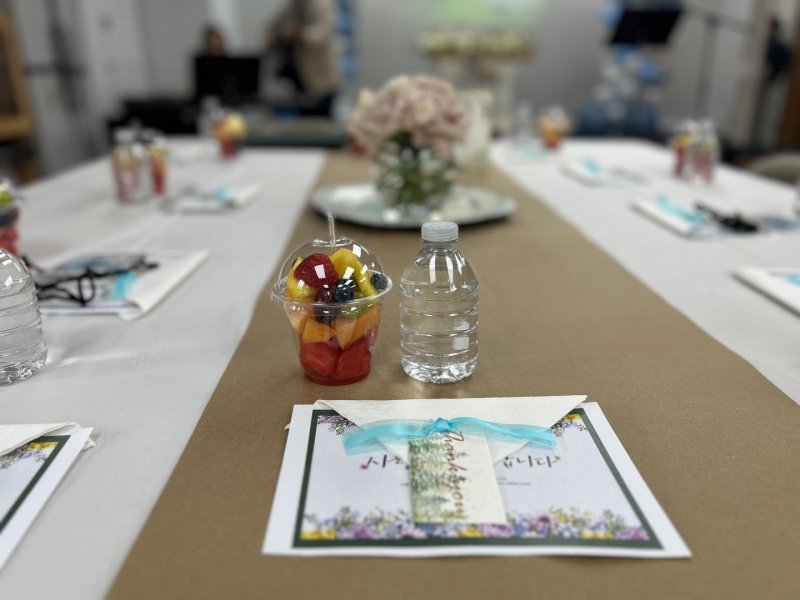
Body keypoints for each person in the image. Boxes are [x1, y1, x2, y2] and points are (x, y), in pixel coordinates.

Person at [266, 0, 339, 117]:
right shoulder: (293, 3)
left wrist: (301, 33)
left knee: (322, 119)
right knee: (304, 117)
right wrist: (273, 37)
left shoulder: (322, 3)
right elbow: (276, 25)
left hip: (320, 77)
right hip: (301, 75)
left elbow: (324, 33)